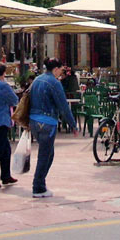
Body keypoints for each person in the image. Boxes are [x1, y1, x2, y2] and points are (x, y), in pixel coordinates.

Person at [28, 58, 78, 198]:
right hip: (47, 122)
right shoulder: (54, 83)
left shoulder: (37, 80)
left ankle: (40, 184)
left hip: (34, 121)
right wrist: (73, 124)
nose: (61, 73)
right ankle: (38, 187)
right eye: (61, 70)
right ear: (55, 69)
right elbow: (63, 106)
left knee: (48, 154)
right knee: (45, 155)